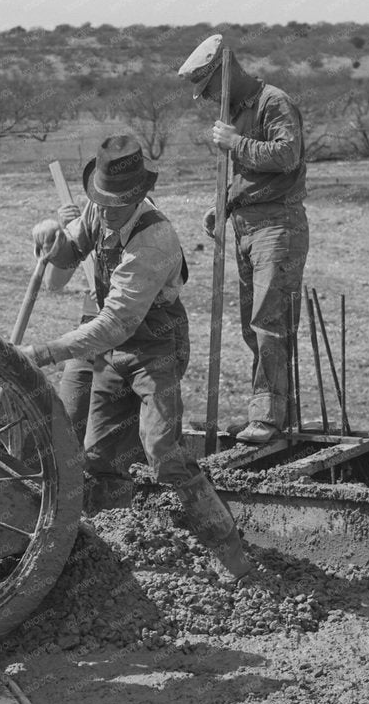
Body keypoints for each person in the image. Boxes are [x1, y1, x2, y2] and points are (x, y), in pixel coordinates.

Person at [20, 136, 255, 582]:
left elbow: (115, 324)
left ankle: (229, 551)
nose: (104, 212)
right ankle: (109, 557)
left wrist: (42, 353)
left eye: (115, 205)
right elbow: (67, 254)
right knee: (99, 454)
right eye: (100, 202)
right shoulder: (99, 210)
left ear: (136, 195)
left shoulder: (155, 239)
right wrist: (49, 232)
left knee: (162, 450)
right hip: (115, 349)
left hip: (156, 347)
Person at [178, 34, 308, 444]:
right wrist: (227, 202)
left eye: (210, 87)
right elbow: (251, 176)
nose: (208, 98)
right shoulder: (237, 110)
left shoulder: (273, 102)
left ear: (226, 72)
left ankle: (268, 418)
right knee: (254, 327)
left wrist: (237, 143)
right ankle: (271, 413)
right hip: (247, 227)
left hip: (277, 226)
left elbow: (287, 156)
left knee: (270, 323)